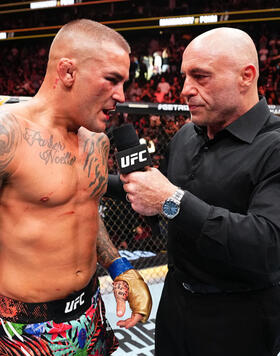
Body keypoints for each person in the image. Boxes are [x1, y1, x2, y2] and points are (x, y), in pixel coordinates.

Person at [118, 27, 280, 356]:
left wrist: (171, 201)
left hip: (241, 319)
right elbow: (159, 193)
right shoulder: (185, 137)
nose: (185, 90)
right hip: (175, 306)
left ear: (246, 76)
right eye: (184, 76)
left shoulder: (275, 146)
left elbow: (268, 244)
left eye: (200, 77)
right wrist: (86, 182)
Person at [0, 19, 152, 356]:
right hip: (23, 329)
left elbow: (84, 210)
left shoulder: (97, 141)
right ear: (68, 72)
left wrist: (118, 266)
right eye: (112, 80)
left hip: (91, 312)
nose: (122, 96)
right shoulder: (6, 136)